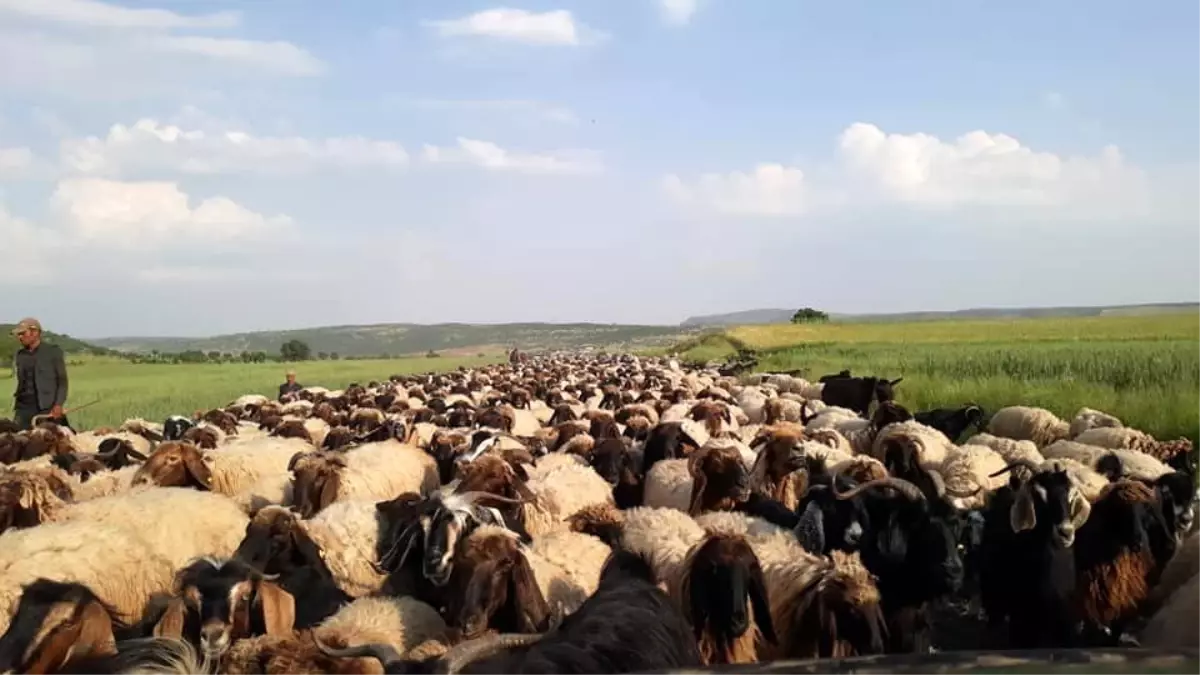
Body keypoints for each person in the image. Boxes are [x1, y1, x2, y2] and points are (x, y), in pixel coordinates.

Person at [11, 317, 70, 431]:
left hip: (47, 407)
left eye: (23, 333)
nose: (20, 337)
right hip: (24, 408)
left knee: (58, 440)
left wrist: (58, 405)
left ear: (35, 333)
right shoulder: (20, 355)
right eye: (18, 334)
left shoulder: (53, 352)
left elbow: (62, 381)